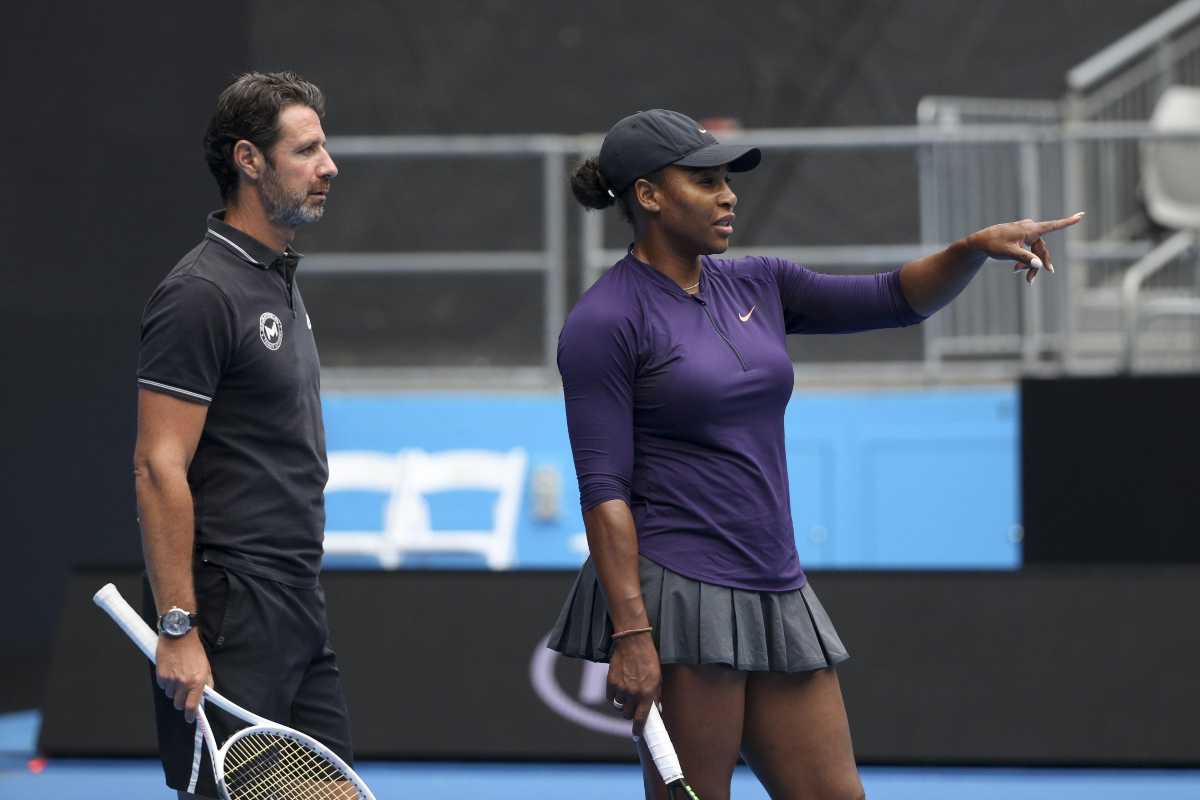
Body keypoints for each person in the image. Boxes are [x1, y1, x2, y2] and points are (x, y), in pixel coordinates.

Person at [548, 108, 1082, 800]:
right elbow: (603, 491)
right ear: (648, 196)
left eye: (727, 182)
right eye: (705, 181)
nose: (728, 195)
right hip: (681, 596)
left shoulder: (759, 283)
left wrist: (971, 249)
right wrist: (633, 634)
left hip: (775, 586)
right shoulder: (604, 322)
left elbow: (895, 298)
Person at [132, 71, 348, 799]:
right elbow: (159, 467)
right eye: (307, 150)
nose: (329, 167)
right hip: (228, 611)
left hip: (296, 602)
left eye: (325, 148)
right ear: (249, 160)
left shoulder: (275, 277)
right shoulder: (200, 293)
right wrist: (177, 626)